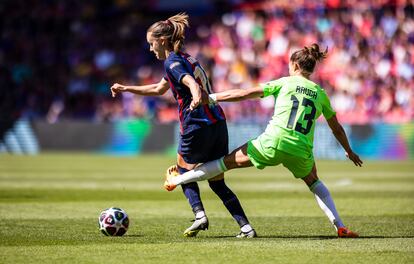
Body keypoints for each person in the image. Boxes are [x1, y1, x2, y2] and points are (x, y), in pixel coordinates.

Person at [164, 43, 363, 238]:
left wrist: (212, 98)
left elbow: (244, 94)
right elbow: (336, 127)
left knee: (223, 164)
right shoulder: (321, 94)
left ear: (294, 65)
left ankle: (178, 179)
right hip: (301, 149)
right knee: (314, 182)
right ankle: (340, 226)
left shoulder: (285, 82)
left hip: (273, 142)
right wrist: (349, 151)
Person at [110, 13, 256, 238]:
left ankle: (199, 215)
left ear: (162, 40)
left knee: (181, 170)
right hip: (218, 123)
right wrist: (127, 89)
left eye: (151, 44)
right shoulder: (187, 58)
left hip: (196, 124)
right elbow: (159, 89)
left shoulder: (172, 62)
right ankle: (246, 227)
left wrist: (196, 93)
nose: (150, 49)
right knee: (217, 181)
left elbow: (189, 82)